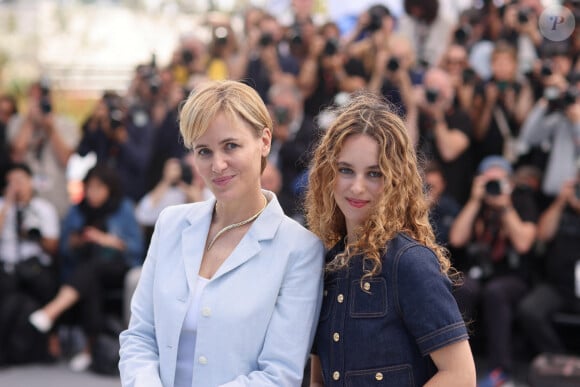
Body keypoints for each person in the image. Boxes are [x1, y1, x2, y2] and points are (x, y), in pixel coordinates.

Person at [119, 80, 324, 387]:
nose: (217, 165)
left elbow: (279, 374)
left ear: (264, 141)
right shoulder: (171, 224)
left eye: (231, 146)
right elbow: (139, 337)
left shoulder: (299, 249)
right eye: (204, 151)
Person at [305, 91, 475, 386]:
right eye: (346, 170)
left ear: (396, 180)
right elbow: (320, 379)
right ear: (326, 174)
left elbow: (460, 376)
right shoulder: (328, 265)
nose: (357, 187)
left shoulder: (410, 262)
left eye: (374, 174)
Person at [28, 164, 144, 371]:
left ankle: (52, 311)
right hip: (85, 269)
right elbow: (65, 248)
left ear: (109, 188)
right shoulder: (77, 209)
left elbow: (136, 247)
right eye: (89, 187)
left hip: (118, 267)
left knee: (93, 270)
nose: (93, 193)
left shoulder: (123, 207)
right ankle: (89, 349)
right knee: (91, 280)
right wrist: (80, 241)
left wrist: (107, 240)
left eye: (98, 188)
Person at [448, 155, 538, 387]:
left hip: (511, 277)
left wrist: (505, 206)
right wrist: (475, 201)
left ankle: (501, 369)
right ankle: (453, 363)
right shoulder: (475, 203)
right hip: (478, 275)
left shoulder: (521, 201)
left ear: (510, 182)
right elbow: (457, 238)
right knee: (462, 286)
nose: (493, 187)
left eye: (499, 181)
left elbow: (523, 244)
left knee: (496, 293)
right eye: (488, 181)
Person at [518, 177, 580, 355]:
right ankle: (559, 361)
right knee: (529, 309)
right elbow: (543, 234)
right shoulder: (563, 207)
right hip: (559, 285)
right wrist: (561, 202)